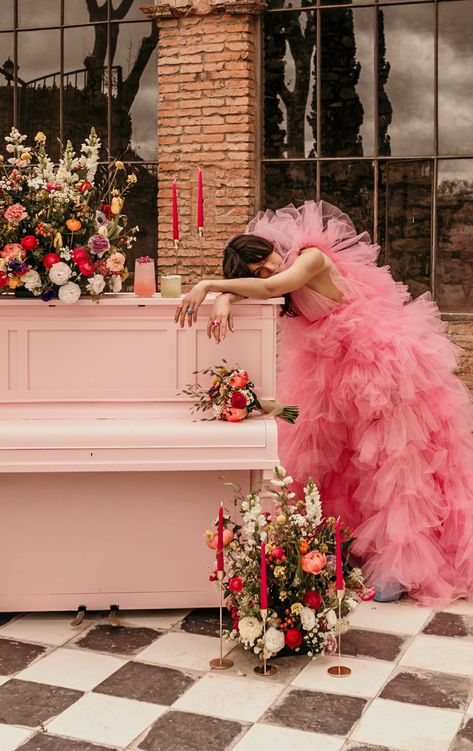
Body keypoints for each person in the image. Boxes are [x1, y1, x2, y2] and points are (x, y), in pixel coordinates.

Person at [175, 201, 473, 607]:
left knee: (396, 461)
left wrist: (210, 286)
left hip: (376, 359)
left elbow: (270, 288)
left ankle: (404, 567)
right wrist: (228, 296)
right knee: (347, 461)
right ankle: (356, 549)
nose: (268, 271)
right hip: (332, 368)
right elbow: (265, 290)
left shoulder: (311, 256)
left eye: (266, 261)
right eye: (257, 271)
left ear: (271, 246)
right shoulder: (276, 278)